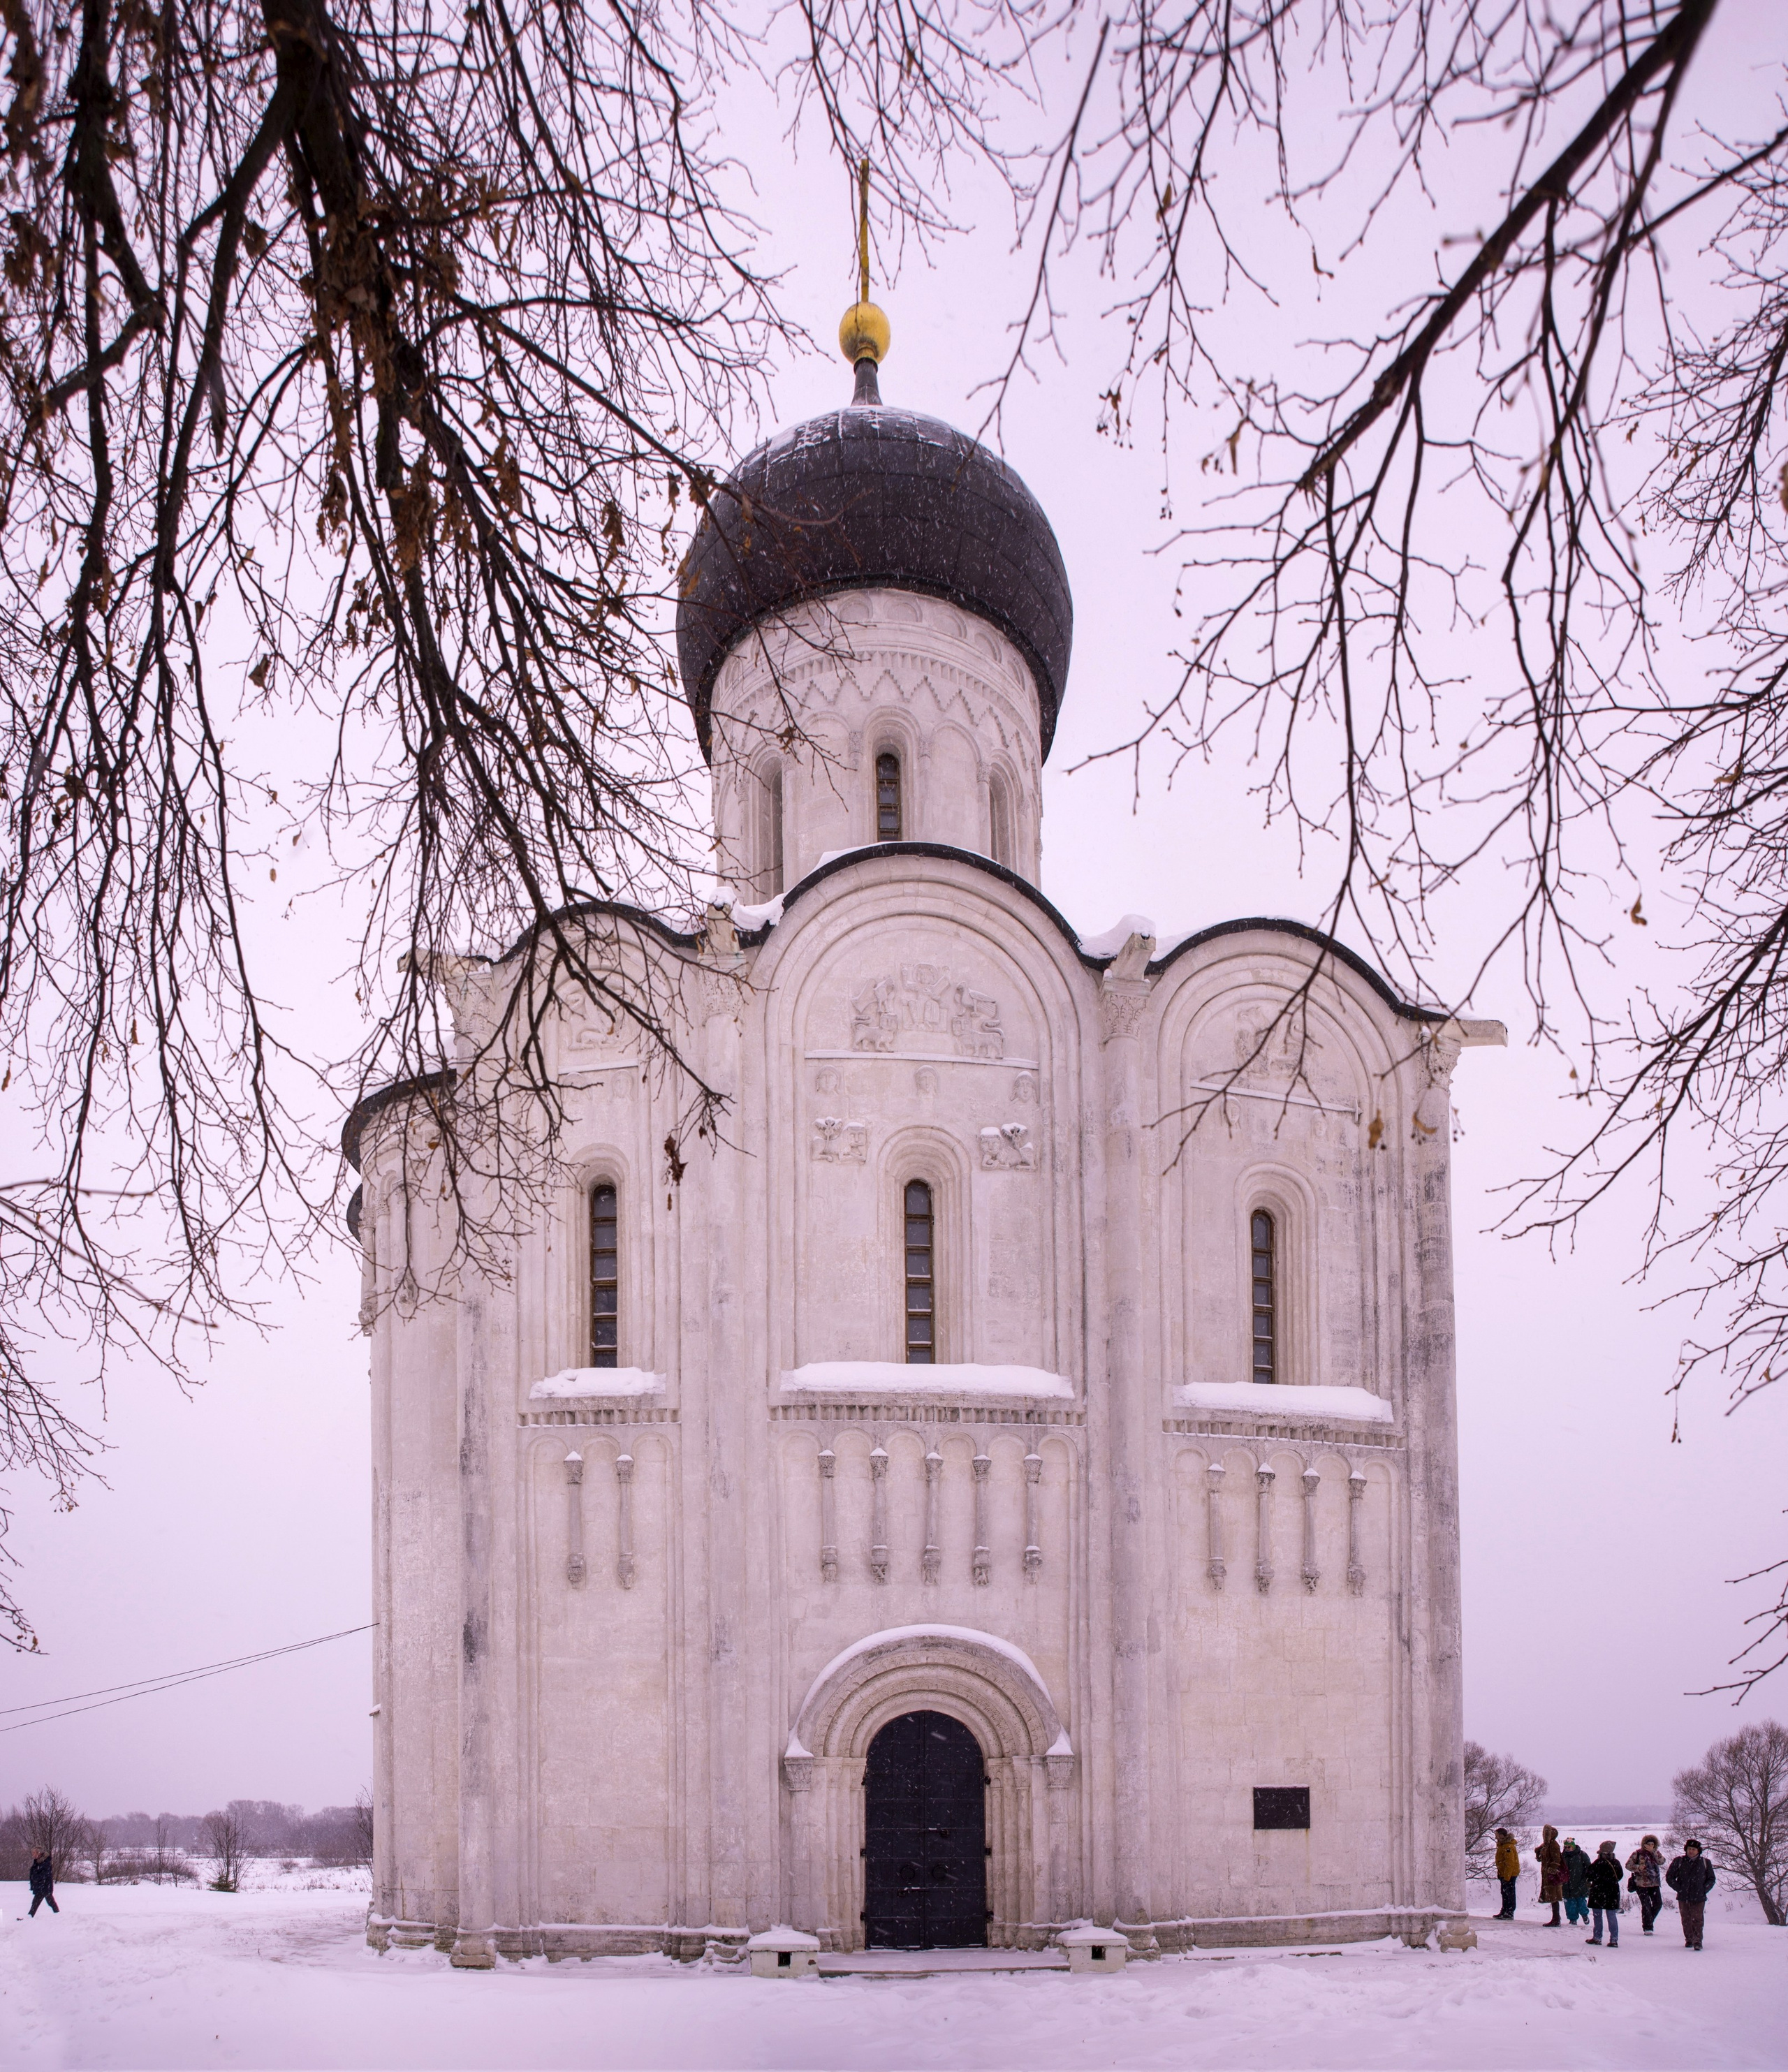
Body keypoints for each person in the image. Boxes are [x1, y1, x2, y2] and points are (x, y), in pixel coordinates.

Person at [1666, 1838, 1716, 1950]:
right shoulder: (1679, 1861)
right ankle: (1689, 1939)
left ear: (1698, 1851)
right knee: (1686, 1919)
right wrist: (1679, 1888)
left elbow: (1711, 1879)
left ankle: (1697, 1940)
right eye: (1689, 1849)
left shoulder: (1705, 1862)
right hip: (1683, 1897)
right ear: (1686, 1849)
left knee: (1697, 1919)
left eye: (1694, 1849)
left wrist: (1704, 1890)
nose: (1691, 1851)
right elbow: (1669, 1877)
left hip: (1699, 1897)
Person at [1585, 1839, 1622, 1947]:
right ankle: (1614, 1940)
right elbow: (1620, 1876)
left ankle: (1597, 1938)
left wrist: (1598, 1879)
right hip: (1612, 1892)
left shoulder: (1597, 1863)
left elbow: (1589, 1876)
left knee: (1597, 1916)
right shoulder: (1616, 1863)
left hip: (1598, 1891)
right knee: (1611, 1915)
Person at [1626, 1834, 1666, 1934]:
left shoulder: (1655, 1854)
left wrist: (1654, 1852)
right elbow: (1628, 1865)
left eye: (1653, 1844)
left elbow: (1662, 1861)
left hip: (1654, 1883)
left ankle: (1649, 1921)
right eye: (1649, 1844)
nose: (1651, 1846)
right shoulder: (1638, 1854)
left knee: (1658, 1904)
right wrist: (1638, 1867)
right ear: (1644, 1844)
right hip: (1641, 1884)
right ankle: (1648, 1927)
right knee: (1646, 1905)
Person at [1535, 1823, 1564, 1926]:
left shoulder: (1553, 1845)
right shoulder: (1546, 1845)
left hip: (1552, 1875)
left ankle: (1556, 1919)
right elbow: (1542, 1858)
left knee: (1554, 1896)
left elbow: (1557, 1859)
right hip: (1547, 1874)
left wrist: (1551, 1870)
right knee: (1552, 1896)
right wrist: (1538, 1852)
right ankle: (1556, 1918)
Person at [1560, 1836, 1593, 1927]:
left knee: (1581, 1902)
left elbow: (1589, 1867)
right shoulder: (1563, 1856)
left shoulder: (1581, 1855)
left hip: (1580, 1884)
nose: (1567, 1849)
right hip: (1566, 1885)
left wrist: (1586, 1879)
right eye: (1565, 1847)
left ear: (1573, 1846)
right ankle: (1573, 1919)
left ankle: (1584, 1915)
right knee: (1569, 1904)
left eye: (1569, 1847)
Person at [1493, 1828, 1520, 1919]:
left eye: (1497, 1835)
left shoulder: (1508, 1847)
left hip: (1509, 1875)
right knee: (1504, 1892)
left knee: (1509, 1893)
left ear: (1501, 1835)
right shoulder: (1502, 1846)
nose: (1495, 1837)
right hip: (1504, 1874)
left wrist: (1507, 1877)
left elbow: (1510, 1863)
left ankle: (1510, 1911)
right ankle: (1505, 1910)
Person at [27, 1849, 58, 1918]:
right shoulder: (37, 1862)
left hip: (45, 1887)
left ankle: (30, 1916)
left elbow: (45, 1875)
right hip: (41, 1887)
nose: (33, 1855)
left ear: (39, 1853)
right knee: (39, 1902)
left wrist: (35, 1878)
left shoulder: (45, 1862)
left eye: (34, 1853)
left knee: (48, 1902)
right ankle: (58, 1915)